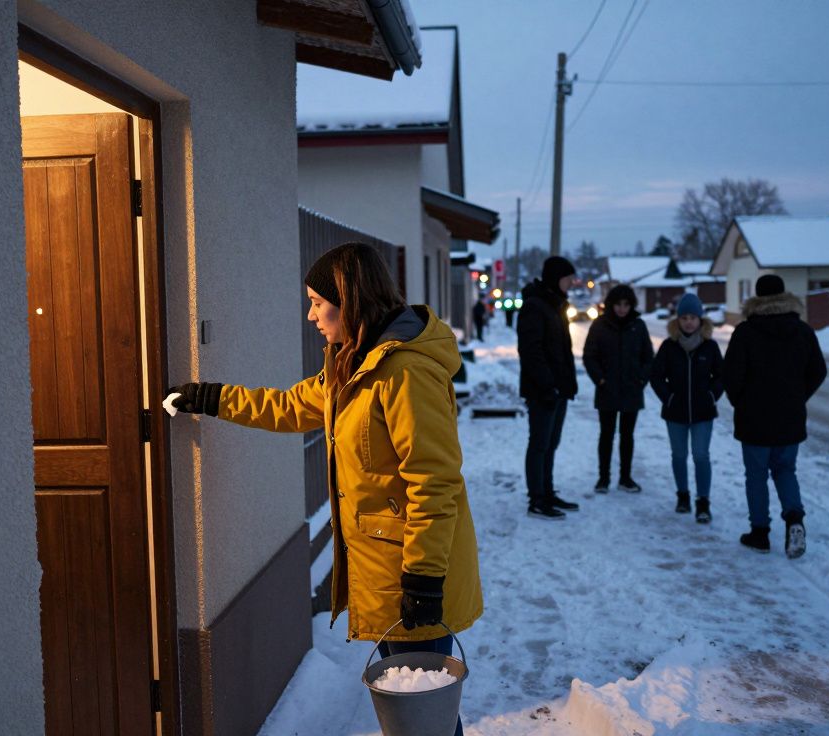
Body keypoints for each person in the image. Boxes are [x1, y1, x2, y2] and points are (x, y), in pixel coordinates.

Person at [166, 243, 481, 734]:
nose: (310, 314)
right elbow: (290, 407)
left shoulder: (404, 373)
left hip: (411, 573)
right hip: (384, 567)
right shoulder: (351, 365)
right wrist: (211, 398)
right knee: (416, 712)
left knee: (424, 713)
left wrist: (422, 579)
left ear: (351, 301)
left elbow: (434, 482)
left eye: (318, 301)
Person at [723, 274, 826, 559]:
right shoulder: (802, 330)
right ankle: (794, 519)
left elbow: (731, 375)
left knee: (756, 475)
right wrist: (797, 397)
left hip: (753, 418)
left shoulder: (745, 332)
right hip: (789, 418)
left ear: (756, 298)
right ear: (784, 295)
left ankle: (760, 533)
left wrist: (740, 402)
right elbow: (818, 371)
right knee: (785, 470)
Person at [517, 256, 582, 519]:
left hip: (558, 389)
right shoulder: (536, 306)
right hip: (542, 390)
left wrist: (565, 385)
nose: (571, 282)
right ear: (556, 278)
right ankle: (537, 499)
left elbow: (561, 350)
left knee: (551, 443)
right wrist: (548, 385)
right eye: (568, 278)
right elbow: (531, 351)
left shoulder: (555, 305)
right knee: (540, 444)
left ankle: (547, 491)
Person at [650, 293, 723, 523]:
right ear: (678, 320)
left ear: (700, 320)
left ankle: (703, 502)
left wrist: (711, 395)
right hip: (676, 413)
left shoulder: (710, 347)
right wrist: (668, 398)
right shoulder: (669, 347)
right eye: (684, 318)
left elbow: (721, 376)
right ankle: (683, 496)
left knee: (701, 456)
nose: (689, 322)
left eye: (693, 317)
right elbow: (656, 376)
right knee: (679, 455)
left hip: (703, 413)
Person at [582, 284, 654, 492]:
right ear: (610, 305)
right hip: (607, 390)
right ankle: (603, 478)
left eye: (626, 305)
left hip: (632, 390)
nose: (622, 309)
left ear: (631, 305)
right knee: (606, 435)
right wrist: (600, 380)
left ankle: (625, 477)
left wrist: (641, 380)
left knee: (627, 436)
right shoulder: (600, 325)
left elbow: (648, 357)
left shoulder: (638, 326)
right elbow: (589, 355)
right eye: (618, 304)